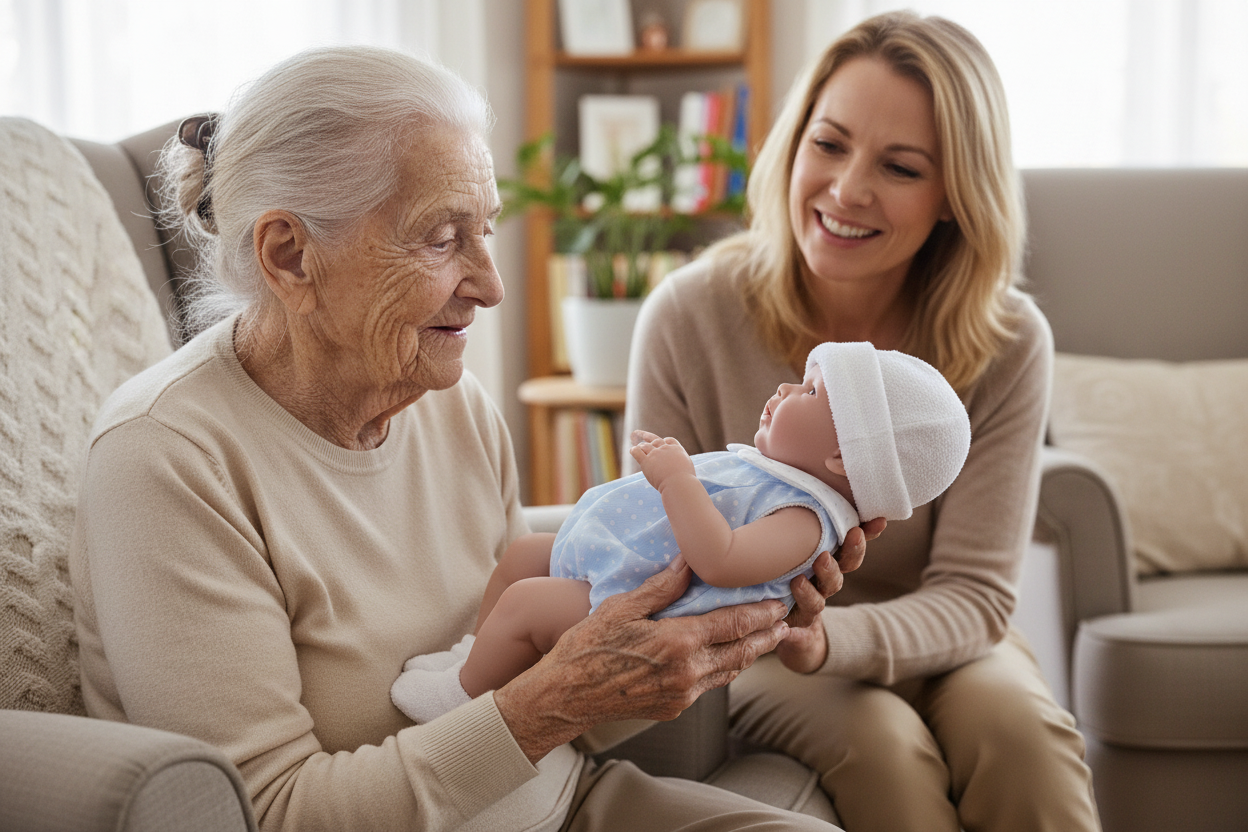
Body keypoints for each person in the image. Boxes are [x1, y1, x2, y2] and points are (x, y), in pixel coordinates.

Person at [68, 46, 845, 832]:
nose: (492, 285)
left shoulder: (451, 402)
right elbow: (265, 813)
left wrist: (718, 615)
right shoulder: (166, 460)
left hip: (573, 806)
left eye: (487, 231)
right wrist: (553, 702)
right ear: (290, 255)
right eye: (441, 240)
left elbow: (551, 677)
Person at [622, 11, 1102, 832]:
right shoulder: (688, 314)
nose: (847, 190)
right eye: (830, 144)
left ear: (955, 196)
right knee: (885, 752)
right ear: (794, 142)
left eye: (901, 167)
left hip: (944, 638)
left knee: (1024, 740)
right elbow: (654, 553)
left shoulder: (1009, 342)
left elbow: (977, 594)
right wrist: (800, 639)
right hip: (763, 641)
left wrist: (837, 643)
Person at [392, 342, 970, 724]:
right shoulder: (778, 479)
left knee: (525, 603)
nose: (785, 392)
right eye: (800, 382)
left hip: (647, 607)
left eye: (811, 393)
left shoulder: (806, 522)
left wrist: (677, 480)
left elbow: (718, 559)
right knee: (523, 555)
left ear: (844, 459)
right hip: (621, 563)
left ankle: (463, 700)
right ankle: (474, 656)